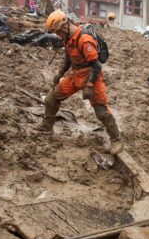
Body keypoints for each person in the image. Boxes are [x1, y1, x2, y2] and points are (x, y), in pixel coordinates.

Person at [38, 10, 123, 155]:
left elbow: (96, 66)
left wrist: (89, 86)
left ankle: (116, 140)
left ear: (64, 26)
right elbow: (69, 57)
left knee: (101, 111)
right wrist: (60, 73)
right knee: (52, 99)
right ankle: (46, 127)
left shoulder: (84, 39)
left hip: (91, 75)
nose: (58, 35)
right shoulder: (68, 37)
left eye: (58, 32)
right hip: (75, 73)